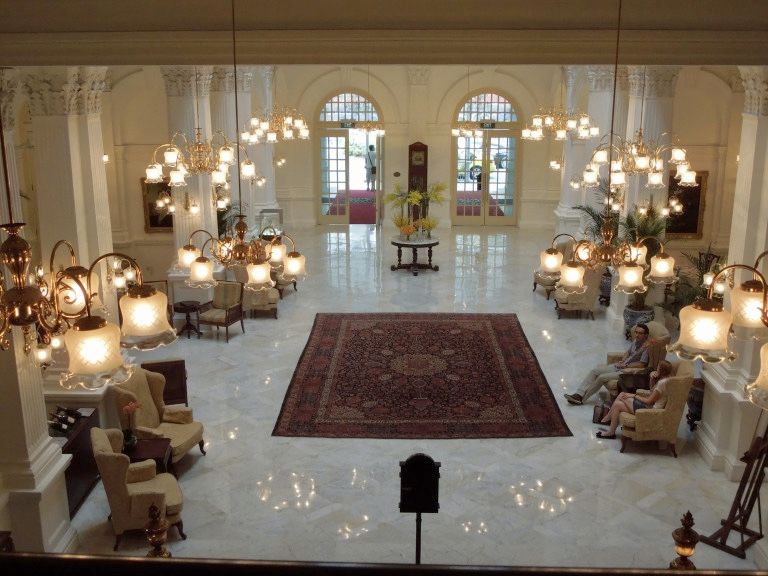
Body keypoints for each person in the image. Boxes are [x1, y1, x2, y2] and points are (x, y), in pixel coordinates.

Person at [564, 323, 651, 406]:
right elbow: (628, 352)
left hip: (626, 372)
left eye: (640, 333)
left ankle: (582, 400)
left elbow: (642, 364)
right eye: (636, 332)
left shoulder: (646, 348)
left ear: (646, 335)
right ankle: (579, 394)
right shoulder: (636, 341)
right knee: (595, 371)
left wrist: (626, 366)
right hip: (619, 366)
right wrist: (623, 360)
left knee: (601, 377)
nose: (637, 335)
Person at [595, 360, 673, 439]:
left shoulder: (662, 383)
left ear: (661, 370)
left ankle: (608, 418)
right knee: (617, 405)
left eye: (658, 367)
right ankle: (611, 432)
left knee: (622, 395)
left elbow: (649, 401)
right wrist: (652, 380)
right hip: (651, 407)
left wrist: (634, 395)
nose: (657, 369)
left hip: (651, 410)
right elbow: (651, 392)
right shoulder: (668, 380)